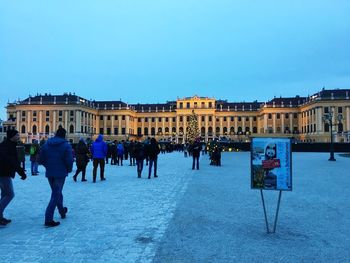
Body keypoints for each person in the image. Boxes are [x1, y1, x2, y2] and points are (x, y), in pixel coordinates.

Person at [39, 127, 73, 227]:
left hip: (50, 172)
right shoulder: (66, 145)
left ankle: (62, 211)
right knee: (56, 194)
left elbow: (41, 159)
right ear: (64, 135)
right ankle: (48, 219)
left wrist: (48, 166)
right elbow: (69, 160)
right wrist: (69, 169)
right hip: (61, 172)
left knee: (56, 193)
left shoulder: (46, 144)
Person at [0, 129, 27, 226]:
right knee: (9, 194)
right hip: (3, 173)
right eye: (17, 135)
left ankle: (0, 217)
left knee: (4, 194)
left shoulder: (8, 144)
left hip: (4, 172)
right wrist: (21, 172)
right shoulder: (7, 146)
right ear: (12, 136)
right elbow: (11, 161)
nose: (19, 136)